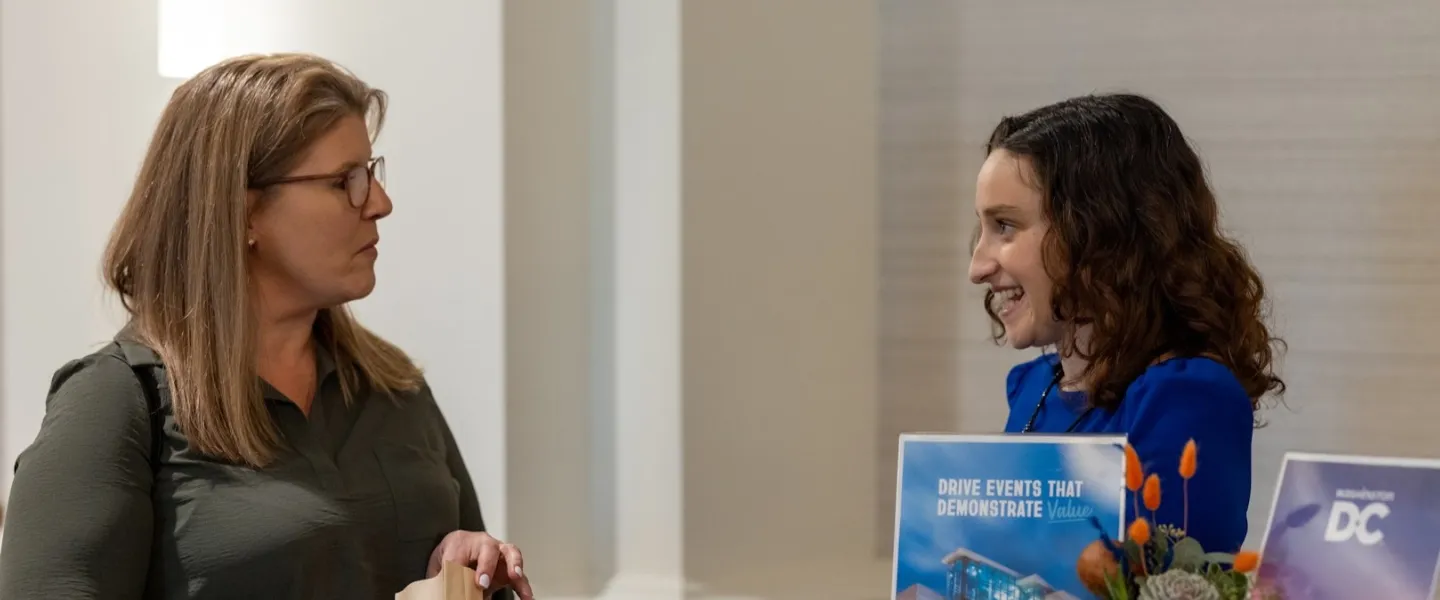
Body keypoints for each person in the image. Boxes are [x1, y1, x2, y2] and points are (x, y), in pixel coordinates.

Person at [0, 53, 533, 599]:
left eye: (371, 173)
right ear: (243, 210)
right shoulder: (113, 403)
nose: (379, 202)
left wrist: (469, 569)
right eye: (343, 180)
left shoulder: (395, 388)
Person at [968, 93, 1286, 553]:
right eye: (982, 228)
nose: (977, 267)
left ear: (1100, 234)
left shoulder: (1186, 397)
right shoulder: (1031, 388)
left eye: (1005, 226)